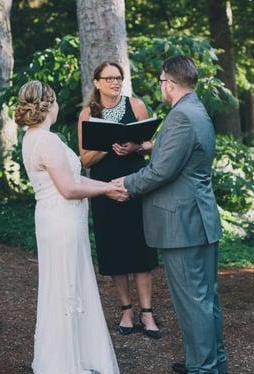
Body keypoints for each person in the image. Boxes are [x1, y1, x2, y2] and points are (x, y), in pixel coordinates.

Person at [114, 56, 228, 374]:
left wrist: (126, 185)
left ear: (170, 83)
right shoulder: (198, 110)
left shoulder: (180, 117)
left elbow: (161, 171)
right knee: (206, 297)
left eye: (162, 80)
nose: (161, 86)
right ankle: (213, 360)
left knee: (193, 300)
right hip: (199, 217)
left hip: (184, 222)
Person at [15, 80, 124, 374]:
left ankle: (73, 354)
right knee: (67, 286)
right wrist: (107, 189)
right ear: (49, 105)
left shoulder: (31, 138)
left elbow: (70, 182)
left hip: (54, 219)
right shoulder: (47, 141)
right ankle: (66, 363)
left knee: (66, 284)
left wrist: (107, 187)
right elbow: (68, 188)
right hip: (62, 220)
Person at [77, 62, 160, 338]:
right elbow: (84, 158)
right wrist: (106, 147)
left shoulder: (135, 106)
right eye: (109, 78)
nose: (115, 82)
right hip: (104, 187)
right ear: (97, 82)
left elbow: (151, 145)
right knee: (114, 249)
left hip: (135, 185)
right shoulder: (88, 114)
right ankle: (126, 310)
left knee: (140, 248)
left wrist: (135, 146)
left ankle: (147, 313)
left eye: (119, 77)